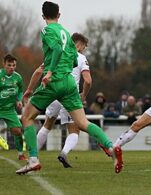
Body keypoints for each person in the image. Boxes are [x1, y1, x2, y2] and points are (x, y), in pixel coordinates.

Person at [16, 1, 123, 174]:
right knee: (83, 122)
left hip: (54, 81)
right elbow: (74, 60)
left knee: (27, 117)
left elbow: (57, 48)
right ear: (59, 15)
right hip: (70, 83)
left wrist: (50, 72)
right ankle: (111, 148)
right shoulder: (66, 32)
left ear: (43, 16)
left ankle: (33, 160)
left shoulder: (47, 30)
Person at [34, 32, 93, 168]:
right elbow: (88, 81)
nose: (84, 49)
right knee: (74, 129)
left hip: (53, 92)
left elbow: (39, 71)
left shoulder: (57, 53)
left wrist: (31, 90)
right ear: (78, 45)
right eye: (83, 46)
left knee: (47, 125)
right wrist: (83, 95)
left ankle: (32, 155)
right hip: (69, 94)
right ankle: (64, 153)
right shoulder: (81, 57)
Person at [0, 54, 26, 160]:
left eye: (14, 65)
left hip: (9, 109)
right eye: (9, 65)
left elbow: (20, 90)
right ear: (4, 64)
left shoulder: (18, 77)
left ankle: (20, 154)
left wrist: (19, 99)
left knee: (17, 131)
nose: (12, 67)